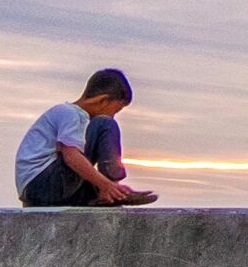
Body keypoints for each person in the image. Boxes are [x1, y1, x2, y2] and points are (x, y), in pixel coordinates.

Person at [15, 69, 157, 208]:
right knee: (105, 124)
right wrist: (108, 185)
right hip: (41, 184)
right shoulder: (70, 113)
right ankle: (112, 187)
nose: (114, 115)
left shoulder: (79, 120)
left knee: (98, 190)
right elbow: (71, 157)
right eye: (116, 110)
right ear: (103, 100)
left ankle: (112, 194)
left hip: (42, 192)